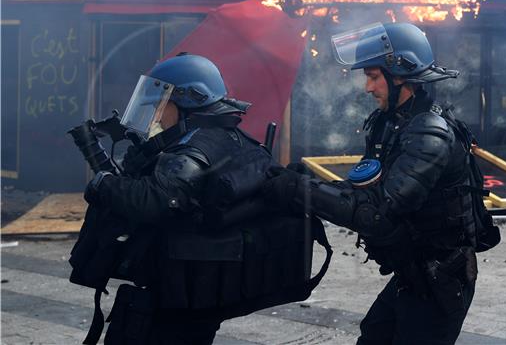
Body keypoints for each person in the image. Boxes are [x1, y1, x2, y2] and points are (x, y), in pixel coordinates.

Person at [70, 53, 330, 345]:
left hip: (178, 296)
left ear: (188, 100)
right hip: (199, 292)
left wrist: (104, 184)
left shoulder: (194, 148)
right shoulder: (227, 135)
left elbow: (160, 201)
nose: (155, 112)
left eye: (162, 102)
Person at [268, 22, 499, 345]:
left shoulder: (429, 133)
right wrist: (310, 183)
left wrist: (300, 191)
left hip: (439, 276)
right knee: (374, 334)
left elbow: (377, 211)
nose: (367, 88)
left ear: (400, 74)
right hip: (413, 270)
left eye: (374, 77)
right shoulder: (393, 124)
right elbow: (364, 190)